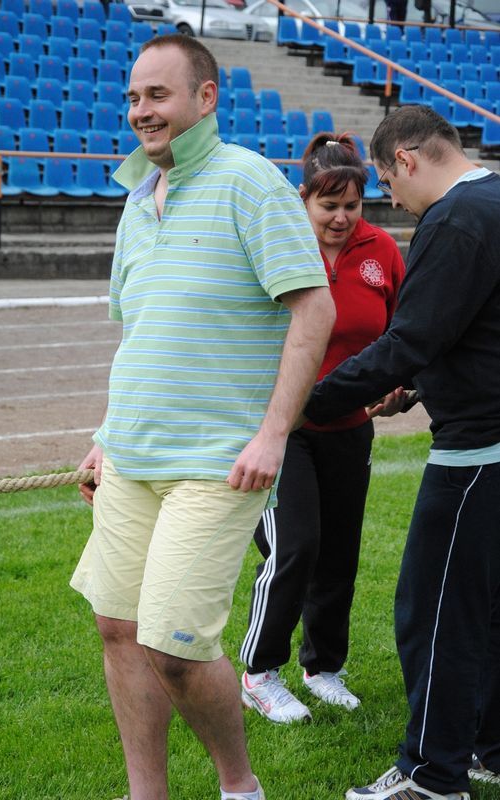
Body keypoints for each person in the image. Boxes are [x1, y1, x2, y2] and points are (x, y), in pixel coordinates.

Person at [70, 34, 336, 800]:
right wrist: (103, 436)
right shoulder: (135, 199)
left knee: (176, 648)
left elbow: (313, 309)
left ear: (205, 97)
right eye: (132, 97)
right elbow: (141, 332)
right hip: (130, 456)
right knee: (118, 629)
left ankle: (239, 787)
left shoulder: (248, 180)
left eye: (157, 94)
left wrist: (273, 434)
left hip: (218, 461)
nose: (140, 111)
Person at [302, 105, 500, 800]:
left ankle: (430, 776)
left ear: (407, 161)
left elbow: (409, 338)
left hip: (477, 451)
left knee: (435, 612)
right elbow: (474, 328)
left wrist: (302, 404)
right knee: (486, 610)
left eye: (387, 183)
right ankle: (487, 749)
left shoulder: (454, 217)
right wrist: (419, 387)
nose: (392, 200)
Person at [239, 133, 406, 723]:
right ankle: (260, 672)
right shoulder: (277, 246)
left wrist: (401, 385)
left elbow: (403, 334)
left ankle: (323, 667)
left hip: (350, 428)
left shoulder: (382, 251)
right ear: (302, 198)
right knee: (296, 546)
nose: (340, 218)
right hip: (282, 428)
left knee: (338, 552)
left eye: (351, 206)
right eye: (327, 205)